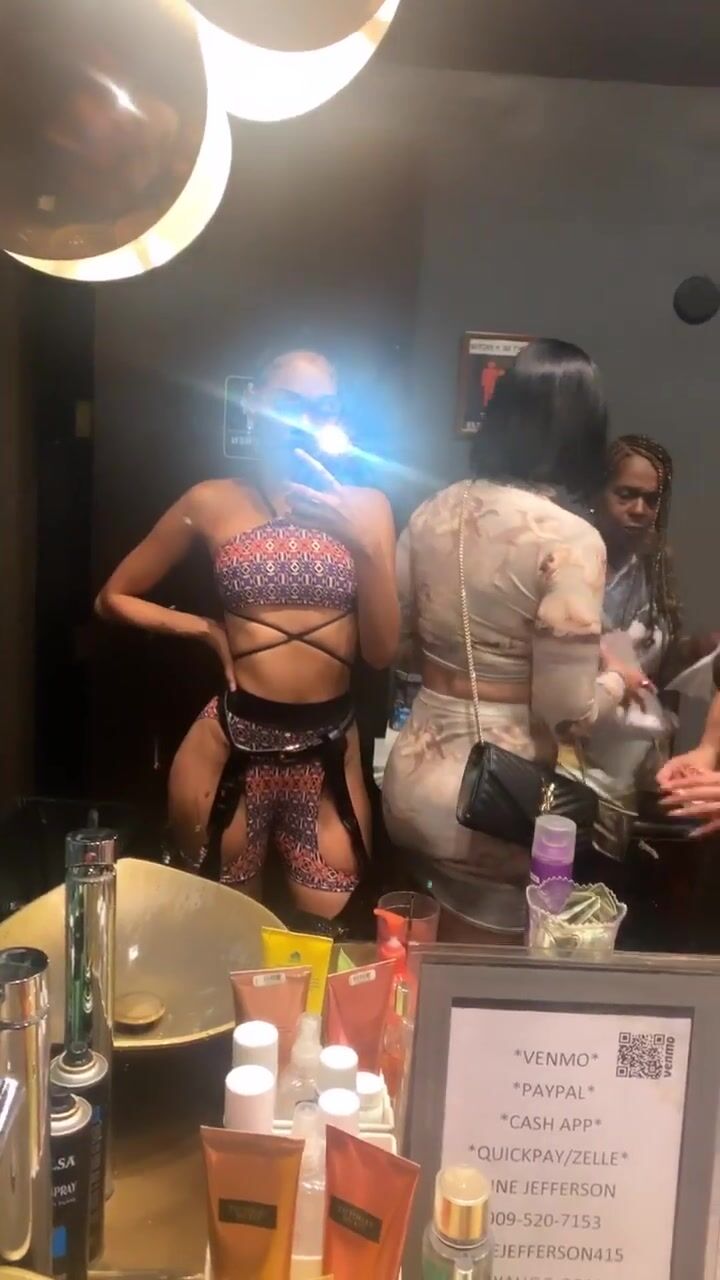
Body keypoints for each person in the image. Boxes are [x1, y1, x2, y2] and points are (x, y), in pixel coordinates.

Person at [96, 349, 398, 921]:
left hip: (329, 753)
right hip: (229, 749)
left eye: (322, 408)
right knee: (225, 938)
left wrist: (363, 544)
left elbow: (381, 653)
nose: (305, 420)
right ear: (254, 404)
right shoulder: (210, 501)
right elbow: (113, 597)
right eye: (290, 403)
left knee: (325, 940)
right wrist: (205, 630)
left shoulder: (368, 507)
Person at [382, 339, 630, 928]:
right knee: (485, 972)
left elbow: (399, 647)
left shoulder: (432, 511)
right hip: (495, 801)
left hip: (411, 781)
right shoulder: (570, 539)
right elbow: (566, 714)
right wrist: (619, 679)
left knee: (417, 956)